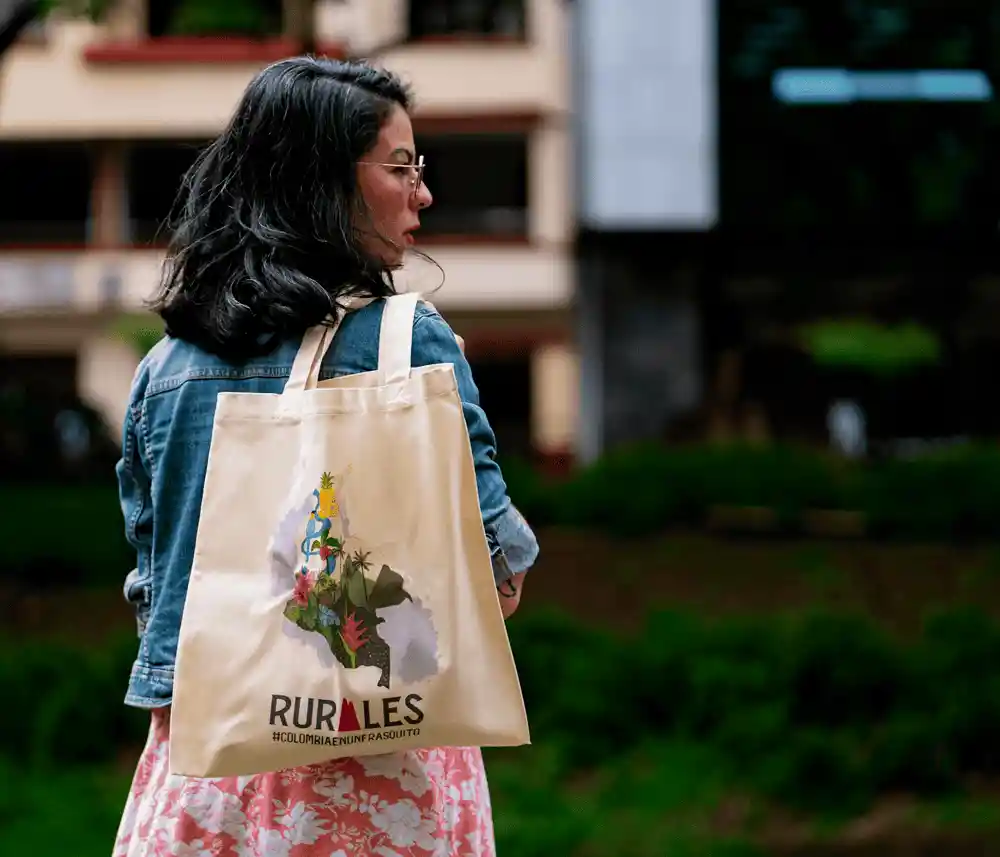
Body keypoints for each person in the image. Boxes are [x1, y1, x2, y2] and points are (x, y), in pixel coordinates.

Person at [112, 56, 539, 857]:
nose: (423, 193)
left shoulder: (166, 369)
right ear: (323, 182)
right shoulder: (407, 344)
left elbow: (157, 589)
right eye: (402, 167)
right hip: (377, 759)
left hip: (204, 769)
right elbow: (497, 578)